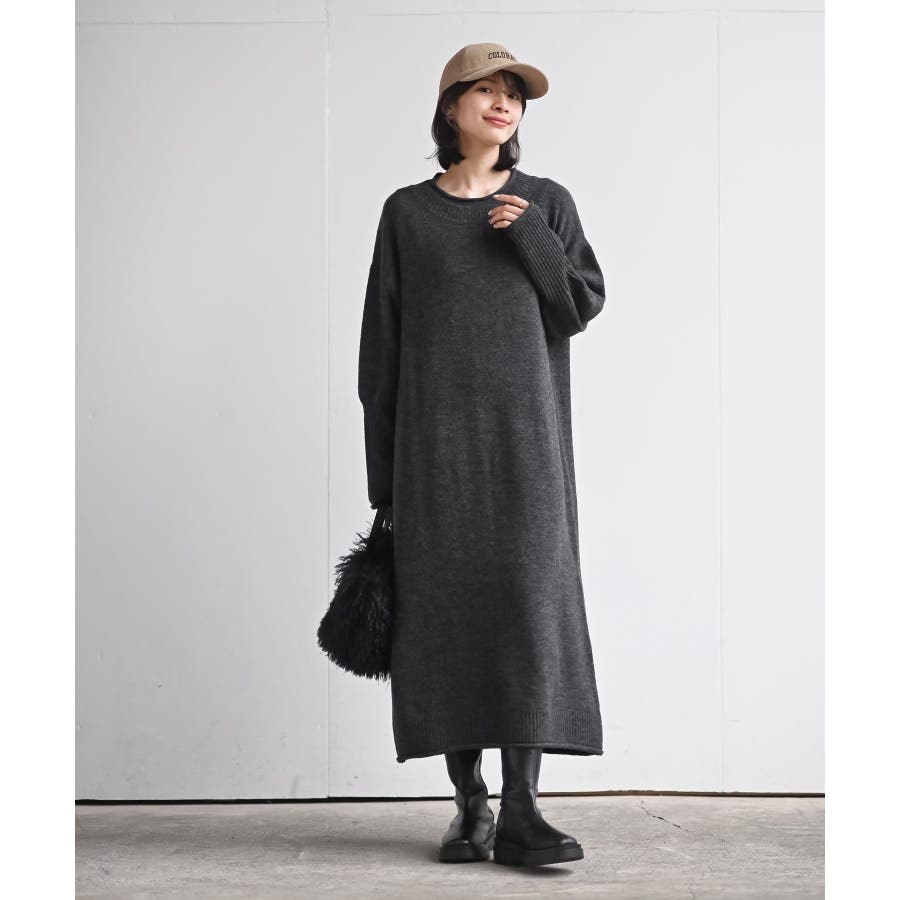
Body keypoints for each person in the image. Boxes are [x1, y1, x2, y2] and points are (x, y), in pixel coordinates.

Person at [357, 42, 607, 868]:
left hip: (528, 453)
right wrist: (385, 482)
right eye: (487, 90)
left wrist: (530, 236)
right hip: (432, 459)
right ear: (450, 108)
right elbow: (380, 351)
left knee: (526, 616)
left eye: (515, 95)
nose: (504, 104)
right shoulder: (407, 213)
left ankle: (524, 809)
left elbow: (579, 306)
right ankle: (470, 805)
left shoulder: (545, 202)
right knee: (446, 621)